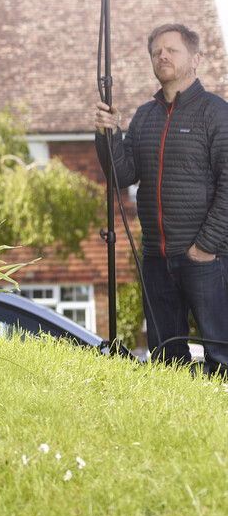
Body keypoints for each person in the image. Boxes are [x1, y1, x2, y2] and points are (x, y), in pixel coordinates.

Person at [95, 22, 228, 368]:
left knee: (220, 355)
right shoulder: (144, 116)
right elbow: (122, 174)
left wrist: (206, 247)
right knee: (166, 361)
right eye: (157, 52)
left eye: (172, 49)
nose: (162, 55)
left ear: (195, 58)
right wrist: (107, 135)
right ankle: (177, 421)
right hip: (156, 258)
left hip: (206, 259)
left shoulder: (216, 113)